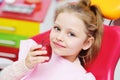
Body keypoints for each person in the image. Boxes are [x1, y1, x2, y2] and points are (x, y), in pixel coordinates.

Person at [0, 0, 103, 80]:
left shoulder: (80, 77)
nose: (59, 37)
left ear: (86, 43)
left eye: (71, 34)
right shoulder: (37, 56)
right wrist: (25, 65)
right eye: (57, 28)